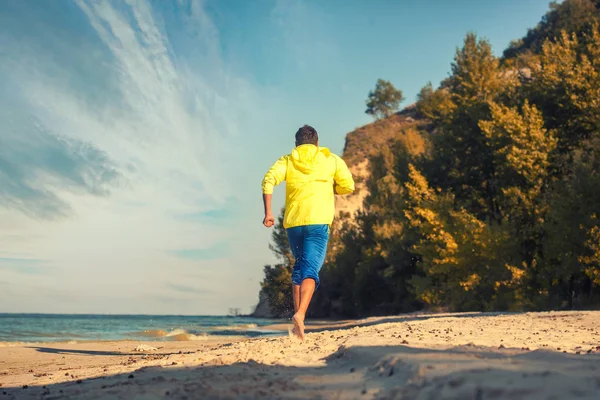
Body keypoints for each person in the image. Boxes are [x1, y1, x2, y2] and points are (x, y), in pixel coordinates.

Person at [261, 125, 355, 340]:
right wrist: (330, 188)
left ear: (296, 144)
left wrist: (268, 213)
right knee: (311, 270)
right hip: (318, 222)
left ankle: (296, 322)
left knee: (299, 267)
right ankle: (301, 315)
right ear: (317, 142)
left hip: (294, 223)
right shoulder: (331, 160)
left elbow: (268, 181)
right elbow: (348, 186)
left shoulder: (287, 160)